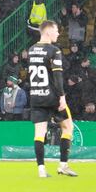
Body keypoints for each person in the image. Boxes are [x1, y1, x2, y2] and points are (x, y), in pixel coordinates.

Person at [28, 21, 77, 177]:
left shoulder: (31, 50)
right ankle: (63, 165)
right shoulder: (54, 50)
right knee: (68, 127)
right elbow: (57, 76)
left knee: (39, 133)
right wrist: (62, 97)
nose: (58, 33)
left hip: (36, 97)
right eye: (56, 31)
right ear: (48, 32)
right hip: (52, 97)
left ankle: (41, 169)